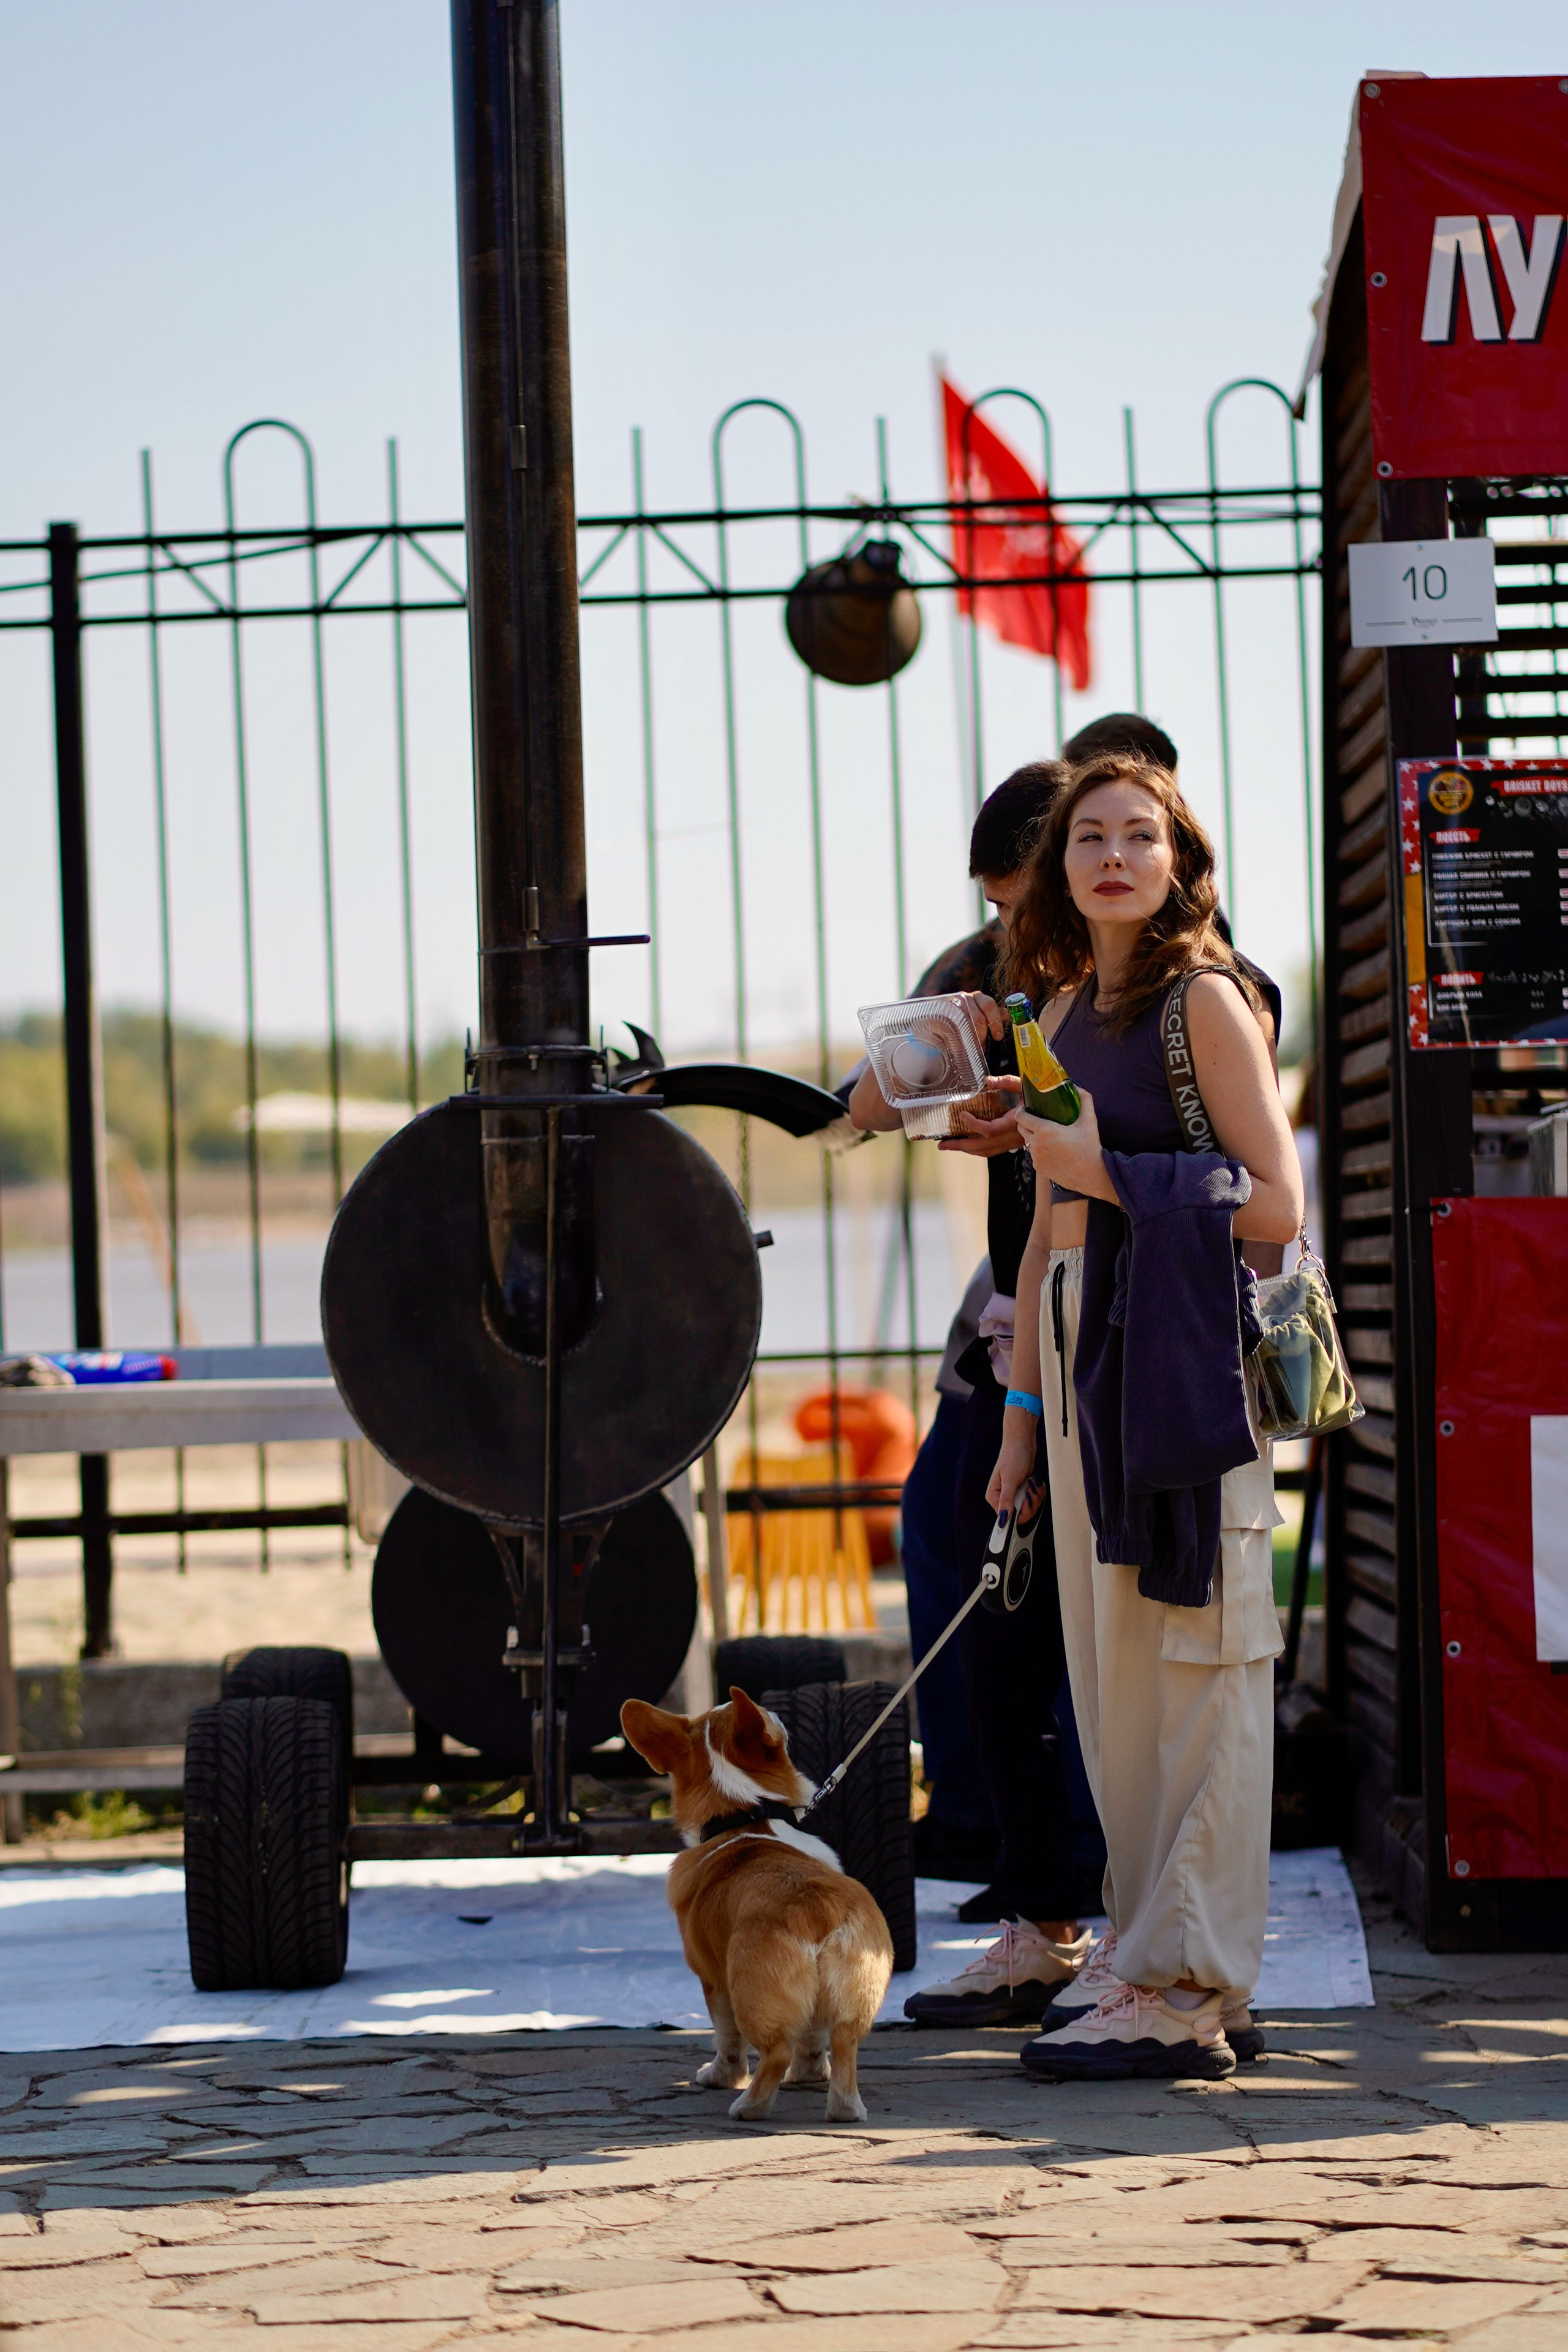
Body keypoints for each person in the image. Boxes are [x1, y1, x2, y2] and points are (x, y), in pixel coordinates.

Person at [989, 749, 1303, 2082]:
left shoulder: (1203, 1001)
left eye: (1139, 835)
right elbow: (1045, 1227)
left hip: (1179, 1353)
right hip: (1079, 1351)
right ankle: (1146, 1948)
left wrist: (1101, 1168)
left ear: (1177, 861)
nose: (1112, 856)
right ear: (1057, 867)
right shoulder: (1058, 1010)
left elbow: (1273, 1206)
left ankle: (1189, 1982)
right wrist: (1013, 1420)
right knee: (1115, 1672)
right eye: (1086, 838)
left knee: (1203, 1660)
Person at [847, 760, 1096, 2024]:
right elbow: (863, 1101)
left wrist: (1036, 1122)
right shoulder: (988, 963)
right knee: (965, 1553)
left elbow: (1195, 1153)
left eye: (1018, 900)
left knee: (1075, 1618)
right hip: (1014, 1311)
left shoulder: (1165, 981)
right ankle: (1016, 1861)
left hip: (1103, 1318)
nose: (1008, 927)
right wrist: (908, 1080)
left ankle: (1071, 1879)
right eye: (994, 904)